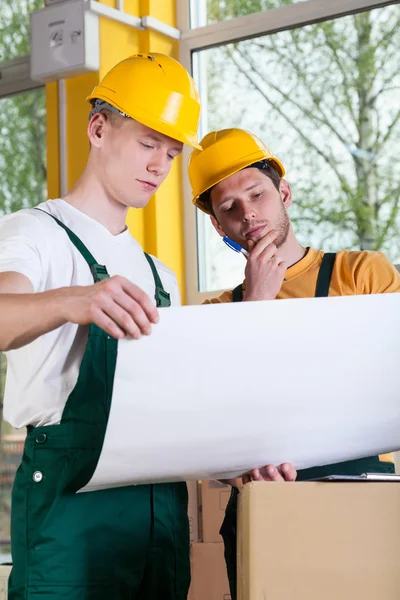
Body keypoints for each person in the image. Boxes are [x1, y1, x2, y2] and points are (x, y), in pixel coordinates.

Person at [0, 53, 200, 600]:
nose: (160, 165)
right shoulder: (35, 233)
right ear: (97, 128)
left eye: (172, 151)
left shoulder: (162, 276)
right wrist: (72, 301)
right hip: (71, 501)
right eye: (147, 143)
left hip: (158, 502)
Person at [188, 127, 400, 599]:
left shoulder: (362, 276)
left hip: (363, 502)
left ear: (283, 192)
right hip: (263, 510)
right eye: (229, 208)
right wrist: (257, 303)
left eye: (257, 194)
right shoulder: (216, 317)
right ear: (220, 228)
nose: (249, 214)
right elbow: (208, 441)